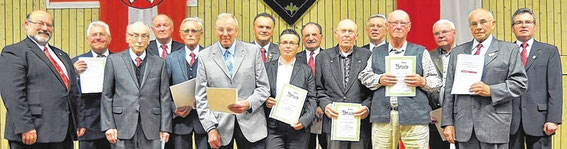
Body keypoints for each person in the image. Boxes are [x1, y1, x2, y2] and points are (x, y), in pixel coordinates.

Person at [442, 8, 528, 149]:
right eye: (474, 24)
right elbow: (449, 91)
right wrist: (448, 123)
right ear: (469, 27)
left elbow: (520, 83)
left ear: (493, 24)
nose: (479, 27)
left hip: (495, 124)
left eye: (483, 22)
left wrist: (491, 90)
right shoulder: (457, 52)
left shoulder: (509, 50)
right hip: (464, 126)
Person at [358, 10, 442, 149]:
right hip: (383, 116)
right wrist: (380, 79)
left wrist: (422, 82)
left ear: (409, 26)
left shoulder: (421, 52)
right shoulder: (377, 52)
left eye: (402, 23)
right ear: (387, 26)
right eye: (394, 23)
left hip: (415, 117)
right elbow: (364, 76)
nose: (398, 26)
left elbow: (436, 81)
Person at [0, 10, 83, 149]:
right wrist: (24, 126)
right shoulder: (15, 52)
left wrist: (78, 122)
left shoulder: (62, 55)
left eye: (49, 25)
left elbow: (73, 91)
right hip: (32, 133)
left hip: (63, 133)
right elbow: (13, 94)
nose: (45, 28)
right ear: (27, 25)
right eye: (40, 23)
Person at [195, 13, 270, 149]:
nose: (225, 34)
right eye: (221, 29)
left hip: (251, 124)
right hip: (219, 126)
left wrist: (248, 103)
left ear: (237, 30)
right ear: (215, 30)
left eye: (229, 29)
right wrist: (210, 128)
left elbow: (264, 88)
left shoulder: (253, 52)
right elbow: (201, 97)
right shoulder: (204, 56)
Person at [100, 21, 172, 149]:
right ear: (127, 37)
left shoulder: (159, 62)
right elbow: (107, 95)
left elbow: (164, 97)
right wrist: (109, 125)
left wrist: (165, 127)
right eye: (135, 35)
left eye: (144, 36)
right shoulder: (114, 61)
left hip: (152, 126)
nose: (139, 40)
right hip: (122, 125)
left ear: (149, 39)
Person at [508, 8, 562, 149]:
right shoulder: (505, 52)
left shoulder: (549, 51)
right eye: (519, 22)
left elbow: (555, 88)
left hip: (540, 121)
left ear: (535, 26)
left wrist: (553, 119)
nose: (524, 25)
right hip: (511, 121)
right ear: (513, 28)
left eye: (528, 22)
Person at [316, 19, 372, 149]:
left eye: (350, 31)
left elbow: (373, 90)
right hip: (333, 121)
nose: (346, 34)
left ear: (356, 36)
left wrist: (367, 107)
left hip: (359, 122)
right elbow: (319, 89)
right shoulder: (323, 57)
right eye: (343, 31)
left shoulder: (367, 56)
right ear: (336, 34)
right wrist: (326, 105)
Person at [265, 29, 317, 149]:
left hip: (298, 127)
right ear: (279, 45)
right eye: (284, 42)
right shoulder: (267, 68)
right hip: (274, 127)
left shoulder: (306, 70)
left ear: (298, 47)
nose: (288, 46)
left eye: (292, 43)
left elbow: (312, 99)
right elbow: (261, 92)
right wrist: (265, 101)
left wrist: (304, 121)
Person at [164, 17, 208, 149]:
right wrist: (173, 109)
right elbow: (164, 90)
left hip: (205, 121)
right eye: (186, 31)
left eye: (194, 31)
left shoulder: (209, 56)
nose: (190, 34)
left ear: (201, 34)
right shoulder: (171, 59)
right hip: (180, 121)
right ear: (181, 34)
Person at [72, 21, 113, 149]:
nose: (98, 37)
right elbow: (70, 93)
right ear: (88, 39)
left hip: (115, 125)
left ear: (109, 38)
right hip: (88, 125)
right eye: (94, 34)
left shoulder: (121, 60)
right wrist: (74, 74)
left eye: (102, 34)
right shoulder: (75, 62)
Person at [297, 22, 328, 149]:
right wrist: (310, 108)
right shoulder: (295, 59)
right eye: (307, 35)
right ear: (303, 39)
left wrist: (321, 105)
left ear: (321, 37)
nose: (310, 38)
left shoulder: (330, 57)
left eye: (314, 34)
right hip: (302, 114)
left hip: (325, 113)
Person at [428, 19, 457, 149]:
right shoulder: (427, 57)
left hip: (461, 114)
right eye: (436, 33)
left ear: (454, 33)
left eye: (444, 32)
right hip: (436, 115)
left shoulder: (466, 54)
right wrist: (427, 111)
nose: (440, 35)